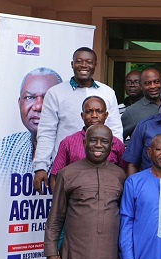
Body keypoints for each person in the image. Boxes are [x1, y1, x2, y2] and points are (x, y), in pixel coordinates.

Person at [44, 124, 126, 259]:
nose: (98, 145)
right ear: (84, 143)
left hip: (108, 258)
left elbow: (126, 220)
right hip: (73, 257)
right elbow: (55, 218)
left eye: (104, 141)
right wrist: (51, 253)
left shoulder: (120, 176)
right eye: (93, 140)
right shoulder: (68, 174)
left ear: (111, 146)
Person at [33, 47, 122, 194]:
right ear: (72, 64)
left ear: (95, 65)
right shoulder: (55, 93)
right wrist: (41, 166)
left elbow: (115, 130)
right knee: (67, 212)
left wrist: (111, 159)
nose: (84, 65)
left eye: (89, 62)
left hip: (103, 166)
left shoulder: (107, 92)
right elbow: (46, 132)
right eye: (79, 61)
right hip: (67, 166)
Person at [0, 67, 62, 183]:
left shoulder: (74, 148)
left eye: (48, 98)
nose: (38, 106)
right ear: (19, 103)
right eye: (30, 97)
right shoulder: (3, 148)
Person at [50, 96, 125, 189]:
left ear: (106, 115)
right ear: (82, 116)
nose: (94, 115)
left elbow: (124, 175)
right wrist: (60, 201)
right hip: (77, 199)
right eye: (89, 112)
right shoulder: (68, 143)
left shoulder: (116, 143)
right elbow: (55, 177)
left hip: (108, 199)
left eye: (99, 111)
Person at [121, 68, 161, 140]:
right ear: (141, 86)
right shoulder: (131, 112)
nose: (153, 86)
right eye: (147, 83)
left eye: (156, 82)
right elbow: (118, 141)